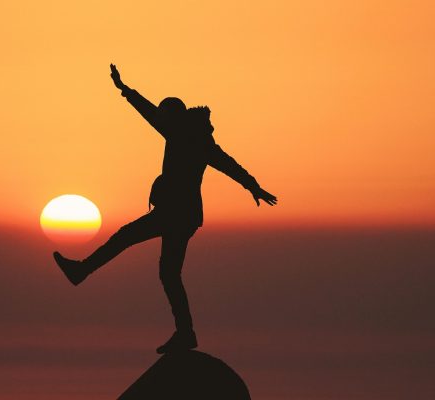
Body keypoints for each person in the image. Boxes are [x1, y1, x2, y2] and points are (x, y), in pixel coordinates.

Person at [53, 64, 277, 354]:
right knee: (168, 273)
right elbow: (228, 163)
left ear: (173, 116)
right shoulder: (196, 137)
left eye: (165, 117)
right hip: (183, 216)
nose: (162, 122)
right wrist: (253, 186)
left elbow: (153, 116)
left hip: (176, 214)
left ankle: (82, 271)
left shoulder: (184, 133)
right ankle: (185, 333)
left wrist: (125, 91)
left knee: (127, 238)